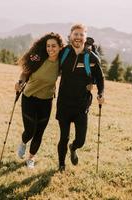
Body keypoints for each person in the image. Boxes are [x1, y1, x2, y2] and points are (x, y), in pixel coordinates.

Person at [56, 23, 105, 171]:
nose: (78, 37)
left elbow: (100, 77)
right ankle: (61, 164)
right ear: (70, 36)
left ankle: (74, 148)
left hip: (82, 104)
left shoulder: (91, 58)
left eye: (80, 34)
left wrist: (101, 93)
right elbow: (52, 66)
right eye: (75, 34)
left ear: (85, 37)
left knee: (81, 140)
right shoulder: (63, 52)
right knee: (63, 137)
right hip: (64, 103)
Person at [15, 32, 63, 168]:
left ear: (60, 47)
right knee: (30, 130)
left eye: (54, 46)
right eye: (48, 46)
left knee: (39, 132)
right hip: (29, 98)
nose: (50, 49)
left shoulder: (60, 64)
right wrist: (19, 82)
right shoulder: (39, 59)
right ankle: (23, 142)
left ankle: (31, 158)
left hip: (46, 101)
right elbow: (25, 73)